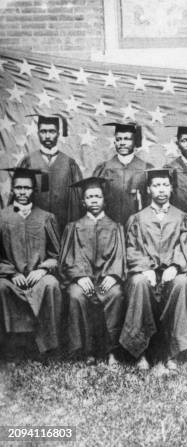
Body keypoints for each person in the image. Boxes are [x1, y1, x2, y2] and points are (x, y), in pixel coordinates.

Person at [120, 169, 187, 372]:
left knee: (182, 283)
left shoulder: (182, 218)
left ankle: (174, 352)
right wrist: (145, 269)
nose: (161, 189)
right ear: (148, 189)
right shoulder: (137, 218)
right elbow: (130, 248)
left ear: (171, 188)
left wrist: (175, 266)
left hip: (171, 273)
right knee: (138, 283)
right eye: (156, 185)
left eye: (165, 185)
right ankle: (140, 352)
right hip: (146, 274)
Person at [59, 176, 126, 366]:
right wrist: (79, 277)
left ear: (105, 200)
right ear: (83, 202)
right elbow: (66, 258)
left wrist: (113, 275)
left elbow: (120, 256)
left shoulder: (115, 227)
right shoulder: (73, 227)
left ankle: (112, 351)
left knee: (115, 294)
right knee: (75, 295)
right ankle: (85, 351)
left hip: (106, 280)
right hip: (83, 281)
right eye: (90, 197)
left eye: (98, 196)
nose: (94, 201)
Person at [0, 168, 62, 358]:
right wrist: (11, 273)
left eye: (27, 188)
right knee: (1, 287)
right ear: (12, 190)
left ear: (34, 189)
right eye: (18, 187)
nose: (22, 192)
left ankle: (48, 348)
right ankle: (11, 348)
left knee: (51, 284)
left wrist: (43, 270)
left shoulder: (46, 218)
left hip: (39, 278)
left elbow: (58, 255)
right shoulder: (2, 217)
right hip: (12, 278)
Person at [18, 114, 82, 233]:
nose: (47, 136)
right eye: (43, 131)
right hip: (34, 229)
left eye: (52, 131)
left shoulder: (69, 164)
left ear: (58, 133)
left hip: (62, 228)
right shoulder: (28, 162)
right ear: (38, 133)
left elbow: (76, 203)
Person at [93, 122, 153, 226]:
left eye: (127, 139)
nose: (122, 143)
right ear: (115, 142)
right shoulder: (103, 169)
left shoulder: (146, 169)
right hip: (109, 227)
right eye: (119, 139)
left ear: (135, 141)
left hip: (138, 227)